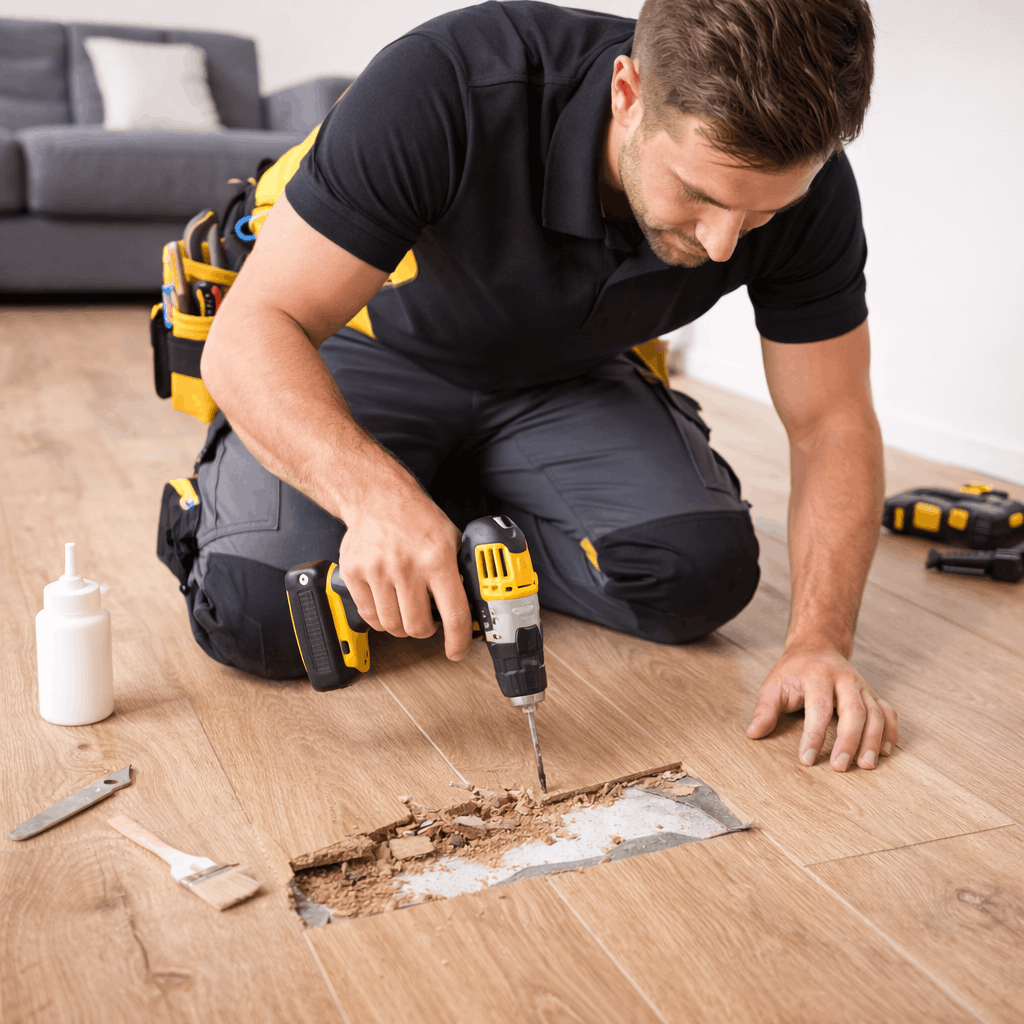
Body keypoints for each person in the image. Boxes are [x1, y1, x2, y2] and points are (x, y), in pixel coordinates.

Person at [194, 0, 898, 773]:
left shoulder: (807, 183)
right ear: (627, 93)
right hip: (371, 355)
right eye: (700, 193)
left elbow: (831, 421)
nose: (722, 240)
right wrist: (372, 499)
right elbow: (250, 332)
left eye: (763, 212)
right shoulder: (448, 84)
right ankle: (393, 500)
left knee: (696, 576)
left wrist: (821, 645)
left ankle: (446, 518)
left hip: (569, 378)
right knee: (265, 612)